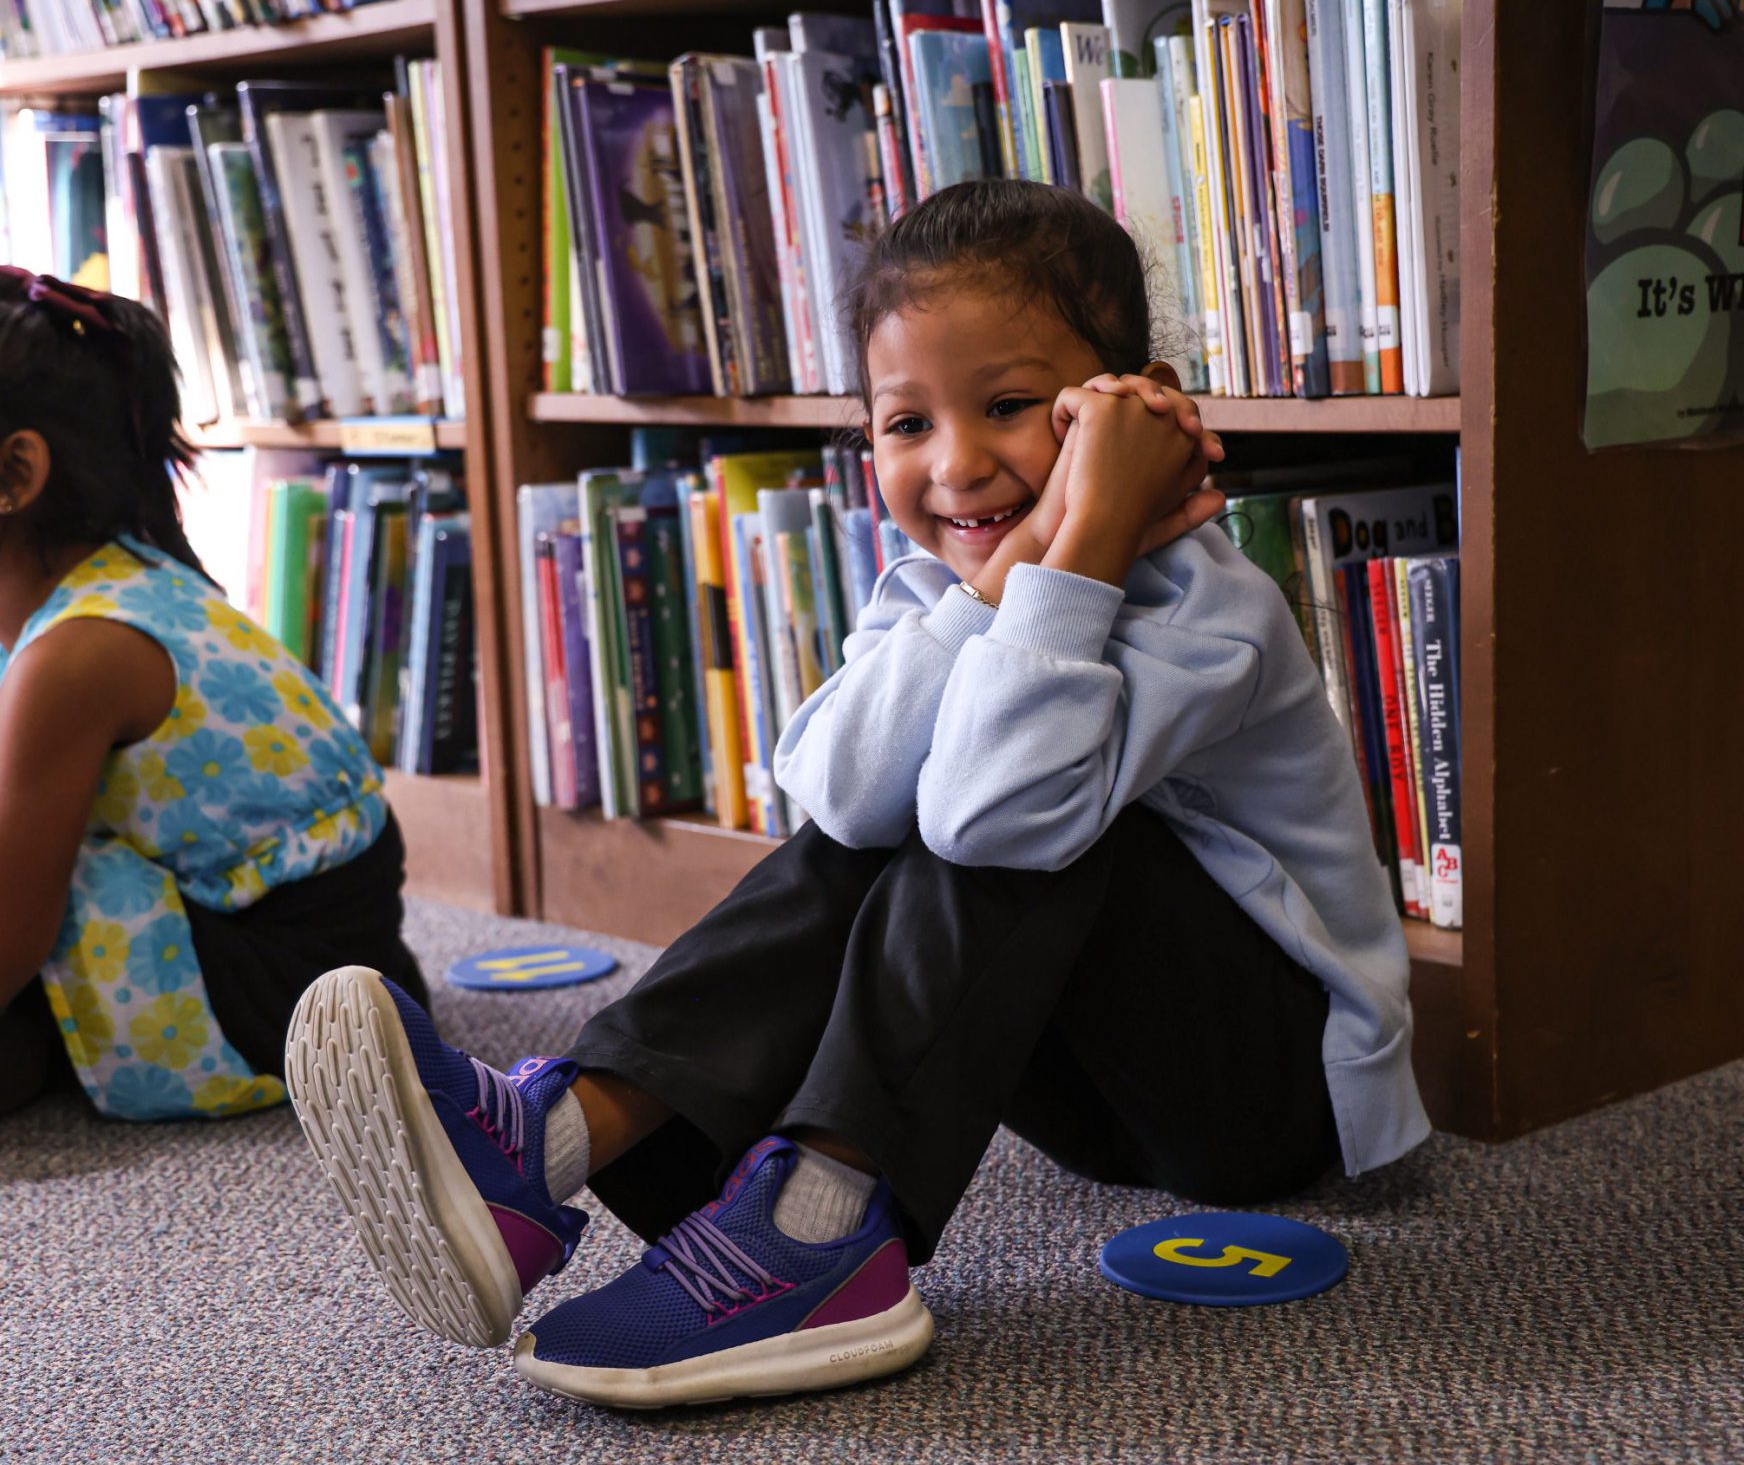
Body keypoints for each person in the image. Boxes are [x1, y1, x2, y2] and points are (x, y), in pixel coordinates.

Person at [287, 180, 1429, 1409]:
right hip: (1078, 1089)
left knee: (1021, 813)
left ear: (1127, 405)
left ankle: (823, 1222)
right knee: (886, 814)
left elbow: (997, 821)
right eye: (905, 425)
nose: (958, 464)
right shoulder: (942, 591)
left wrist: (1086, 538)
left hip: (1269, 1095)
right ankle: (553, 1143)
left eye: (1007, 406)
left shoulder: (1212, 610)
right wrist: (1004, 587)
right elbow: (831, 794)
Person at [0, 267, 426, 1122]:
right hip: (308, 941)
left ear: (16, 471)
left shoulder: (80, 652)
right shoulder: (98, 584)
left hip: (277, 983)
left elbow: (10, 940)